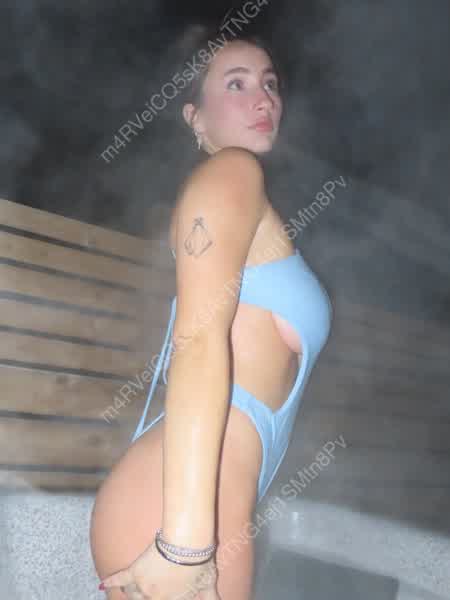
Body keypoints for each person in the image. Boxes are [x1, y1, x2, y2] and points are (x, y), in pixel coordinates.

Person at [90, 23, 332, 600]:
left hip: (206, 500)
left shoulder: (247, 197)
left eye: (270, 83)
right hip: (180, 516)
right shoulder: (233, 171)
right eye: (237, 83)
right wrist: (186, 548)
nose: (263, 98)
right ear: (195, 118)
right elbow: (198, 340)